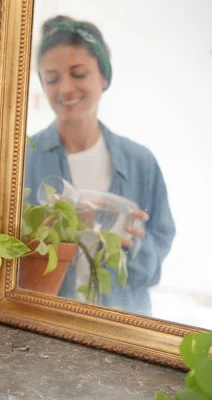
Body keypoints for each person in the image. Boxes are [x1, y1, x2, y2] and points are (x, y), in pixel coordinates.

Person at [24, 15, 176, 315]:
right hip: (45, 327)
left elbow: (153, 267)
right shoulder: (23, 157)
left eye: (78, 74)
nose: (65, 88)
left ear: (104, 77)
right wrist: (48, 229)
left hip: (121, 332)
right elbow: (5, 258)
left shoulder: (141, 163)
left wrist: (126, 242)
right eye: (52, 79)